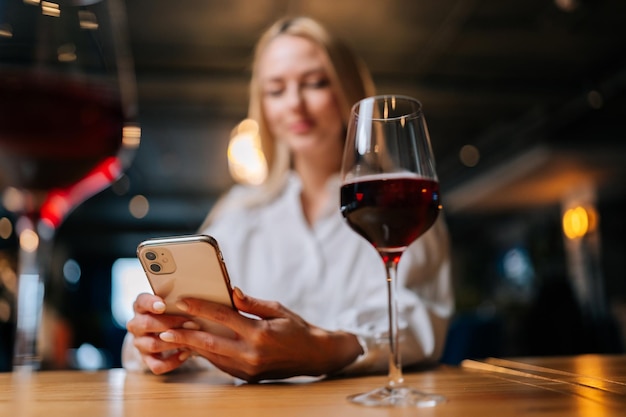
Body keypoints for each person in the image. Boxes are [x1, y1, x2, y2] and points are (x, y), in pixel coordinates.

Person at [123, 16, 453, 382]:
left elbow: (419, 320)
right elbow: (193, 328)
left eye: (315, 83)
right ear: (262, 105)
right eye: (276, 90)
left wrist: (324, 350)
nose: (295, 103)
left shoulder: (400, 196)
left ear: (348, 91)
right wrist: (160, 339)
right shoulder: (238, 212)